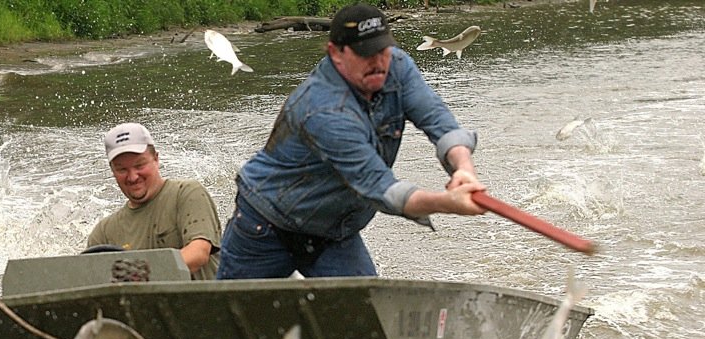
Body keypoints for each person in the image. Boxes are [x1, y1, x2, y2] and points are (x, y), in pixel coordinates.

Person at [216, 3, 487, 280]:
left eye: (382, 50)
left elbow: (439, 122)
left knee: (364, 319)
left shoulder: (397, 64)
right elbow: (382, 188)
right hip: (265, 225)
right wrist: (448, 202)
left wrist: (464, 169)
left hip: (333, 230)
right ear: (336, 53)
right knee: (227, 318)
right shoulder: (323, 110)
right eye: (365, 54)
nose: (378, 62)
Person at [88, 123, 221, 280]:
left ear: (156, 159)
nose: (132, 177)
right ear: (112, 171)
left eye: (140, 165)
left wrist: (139, 276)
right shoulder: (103, 233)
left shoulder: (187, 193)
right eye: (122, 169)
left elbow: (198, 253)